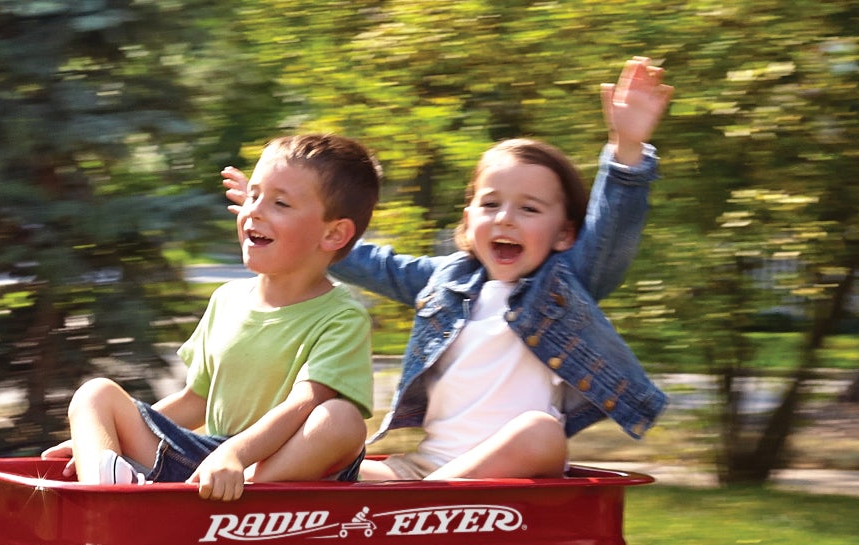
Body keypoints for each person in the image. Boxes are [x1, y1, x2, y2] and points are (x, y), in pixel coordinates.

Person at [222, 58, 674, 480]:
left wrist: (627, 150)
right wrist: (293, 222)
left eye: (529, 209)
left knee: (542, 430)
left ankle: (426, 505)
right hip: (423, 468)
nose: (505, 219)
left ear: (564, 235)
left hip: (510, 461)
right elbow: (376, 264)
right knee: (327, 451)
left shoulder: (565, 284)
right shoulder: (448, 282)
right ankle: (230, 476)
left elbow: (613, 235)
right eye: (490, 204)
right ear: (468, 218)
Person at [42, 133, 379, 501]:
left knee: (341, 420)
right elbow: (195, 401)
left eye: (280, 202)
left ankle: (239, 493)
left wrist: (235, 456)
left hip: (280, 466)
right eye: (253, 196)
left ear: (333, 234)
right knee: (95, 395)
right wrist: (105, 439)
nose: (255, 210)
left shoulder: (341, 316)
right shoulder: (227, 300)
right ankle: (107, 494)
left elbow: (305, 404)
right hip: (208, 462)